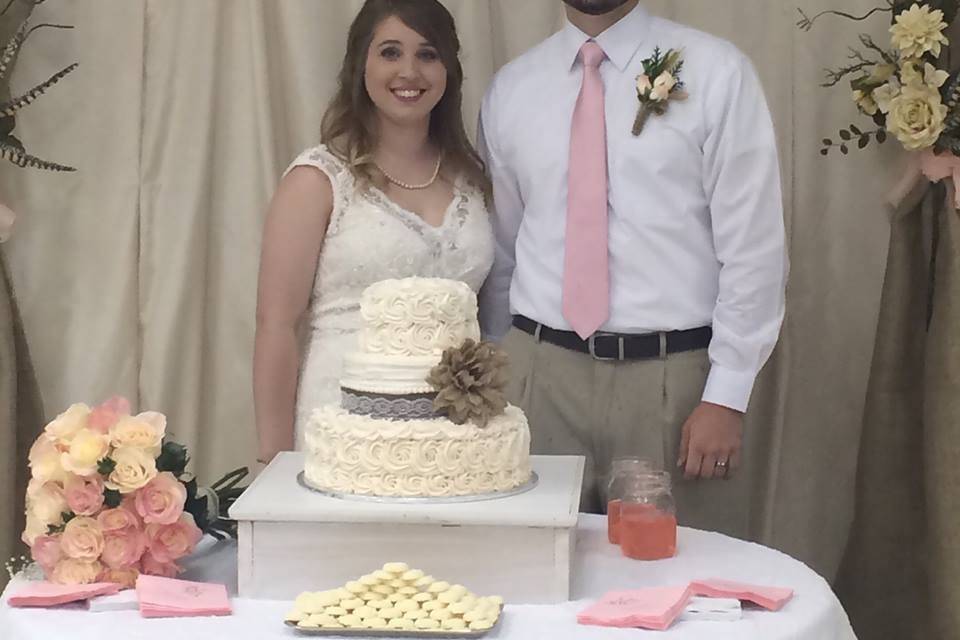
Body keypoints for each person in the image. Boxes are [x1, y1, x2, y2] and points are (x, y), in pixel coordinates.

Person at [477, 0, 787, 534]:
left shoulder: (716, 72)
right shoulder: (512, 88)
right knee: (540, 581)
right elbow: (502, 250)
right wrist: (505, 375)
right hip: (540, 379)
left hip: (672, 385)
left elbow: (753, 247)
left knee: (677, 587)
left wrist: (726, 395)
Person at [254, 0, 494, 464]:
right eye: (389, 52)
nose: (410, 71)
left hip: (457, 438)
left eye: (428, 54)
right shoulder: (318, 180)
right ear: (360, 64)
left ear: (448, 70)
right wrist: (273, 456)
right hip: (344, 426)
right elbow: (277, 326)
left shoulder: (473, 179)